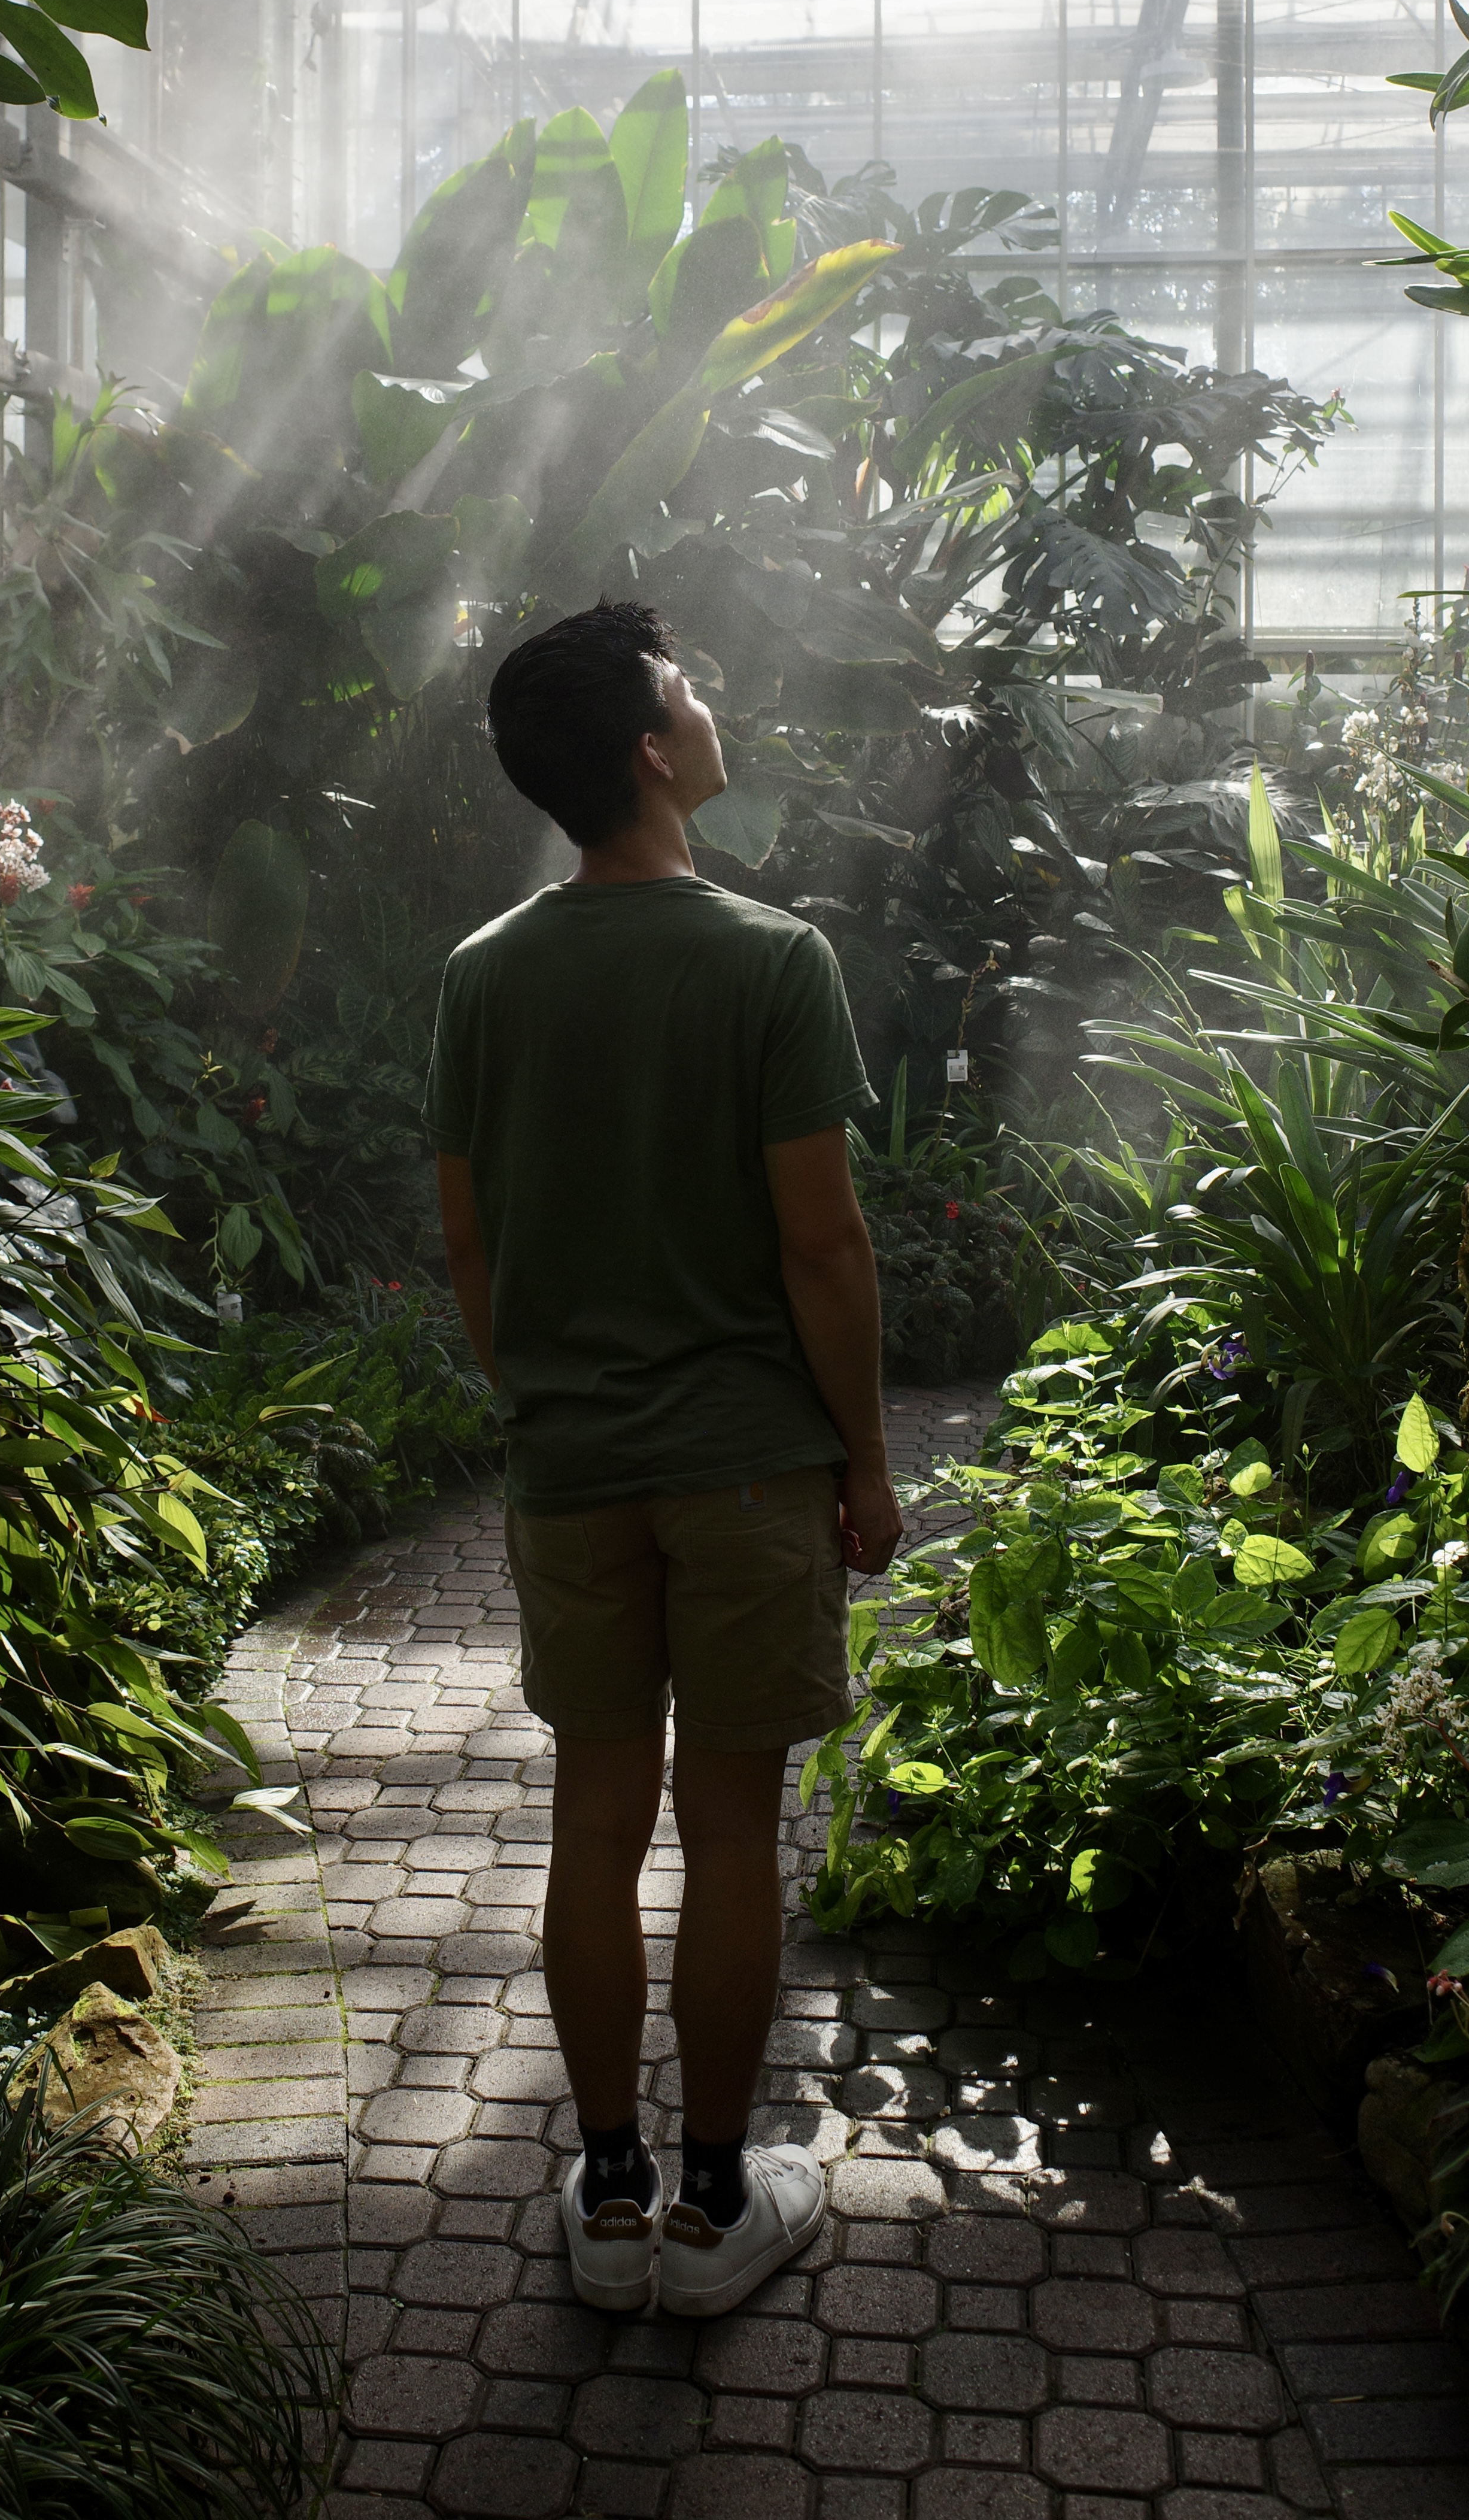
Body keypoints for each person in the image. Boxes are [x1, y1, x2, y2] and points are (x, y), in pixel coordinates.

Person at [425, 598, 902, 2322]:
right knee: (733, 1828)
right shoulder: (771, 960)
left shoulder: (488, 974)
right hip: (749, 1468)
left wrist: (545, 1398)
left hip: (576, 1475)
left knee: (595, 1822)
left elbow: (472, 1246)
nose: (711, 706)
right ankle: (716, 2209)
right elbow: (823, 1249)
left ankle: (607, 2189)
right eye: (689, 689)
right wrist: (864, 1459)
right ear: (648, 749)